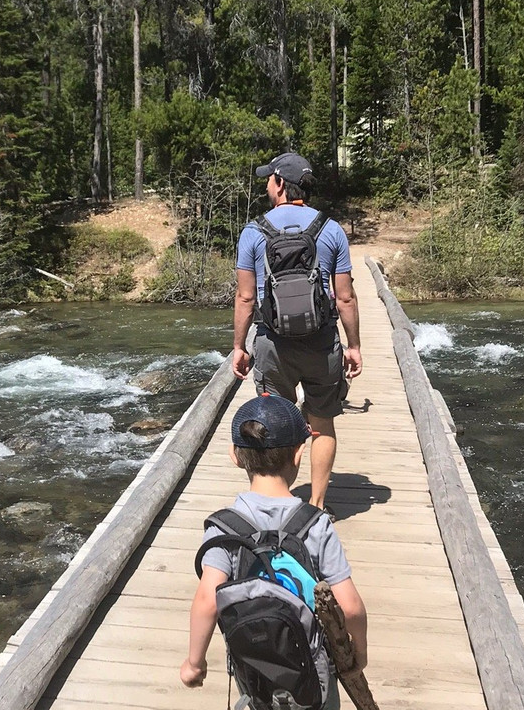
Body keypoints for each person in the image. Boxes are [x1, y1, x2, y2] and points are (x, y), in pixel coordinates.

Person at [179, 394, 368, 707]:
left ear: (235, 456)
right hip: (314, 669)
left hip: (255, 664)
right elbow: (349, 608)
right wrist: (357, 652)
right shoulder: (316, 525)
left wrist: (194, 663)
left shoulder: (224, 528)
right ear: (298, 455)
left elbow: (206, 600)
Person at [231, 151, 361, 518]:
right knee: (321, 420)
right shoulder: (330, 229)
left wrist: (239, 347)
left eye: (268, 180)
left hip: (273, 344)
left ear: (279, 184)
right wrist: (354, 346)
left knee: (273, 419)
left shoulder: (254, 231)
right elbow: (346, 297)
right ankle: (317, 507)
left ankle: (275, 502)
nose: (266, 186)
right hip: (322, 343)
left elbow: (244, 296)